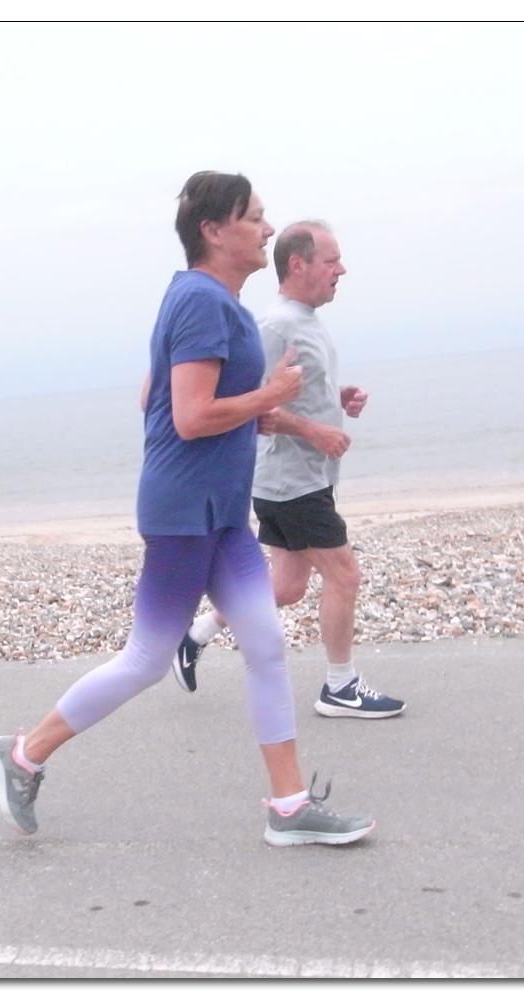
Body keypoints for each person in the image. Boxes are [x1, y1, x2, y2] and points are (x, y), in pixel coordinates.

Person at [0, 172, 375, 847]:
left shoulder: (208, 302)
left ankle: (288, 807)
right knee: (146, 657)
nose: (268, 229)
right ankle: (21, 754)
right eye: (255, 218)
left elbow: (154, 401)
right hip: (183, 510)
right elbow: (191, 417)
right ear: (214, 231)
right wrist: (268, 394)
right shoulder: (200, 301)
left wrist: (280, 412)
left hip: (220, 512)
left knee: (266, 645)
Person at [172, 222, 405, 721]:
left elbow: (293, 389)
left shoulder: (305, 320)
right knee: (345, 575)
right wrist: (316, 432)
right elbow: (253, 408)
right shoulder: (275, 327)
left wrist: (335, 400)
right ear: (297, 264)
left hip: (302, 479)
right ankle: (340, 687)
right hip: (291, 483)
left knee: (287, 587)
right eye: (331, 260)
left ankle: (194, 637)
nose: (341, 270)